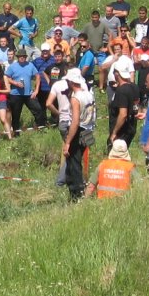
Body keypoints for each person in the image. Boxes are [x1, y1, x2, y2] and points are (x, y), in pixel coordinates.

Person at [62, 69, 96, 200]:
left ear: (71, 82)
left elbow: (75, 122)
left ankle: (77, 193)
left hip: (78, 131)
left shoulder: (75, 98)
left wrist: (68, 142)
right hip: (88, 129)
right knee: (77, 160)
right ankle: (78, 190)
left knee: (74, 164)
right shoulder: (88, 94)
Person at [5, 49, 46, 134]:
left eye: (24, 56)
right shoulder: (12, 66)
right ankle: (16, 132)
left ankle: (39, 127)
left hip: (28, 94)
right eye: (20, 57)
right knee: (16, 115)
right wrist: (15, 83)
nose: (22, 58)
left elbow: (37, 76)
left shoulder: (30, 65)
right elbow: (7, 78)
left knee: (38, 110)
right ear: (18, 57)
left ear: (26, 57)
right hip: (16, 94)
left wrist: (36, 90)